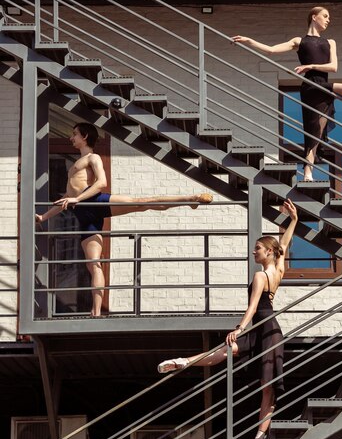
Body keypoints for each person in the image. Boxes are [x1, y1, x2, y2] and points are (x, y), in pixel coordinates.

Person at [157, 198, 298, 439]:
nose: (254, 251)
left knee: (267, 385)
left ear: (267, 252)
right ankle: (183, 362)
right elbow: (283, 245)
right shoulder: (278, 270)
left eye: (257, 248)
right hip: (268, 329)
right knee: (227, 353)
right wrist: (293, 220)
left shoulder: (261, 275)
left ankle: (261, 434)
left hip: (263, 328)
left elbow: (253, 306)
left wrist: (239, 328)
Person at [35, 122, 213, 317]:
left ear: (85, 136)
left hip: (95, 202)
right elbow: (63, 201)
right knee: (93, 263)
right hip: (82, 213)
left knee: (142, 202)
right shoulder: (77, 163)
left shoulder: (92, 157)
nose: (71, 137)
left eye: (75, 134)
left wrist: (77, 198)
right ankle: (95, 311)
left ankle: (190, 199)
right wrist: (43, 217)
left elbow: (102, 183)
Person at [232, 6, 342, 181]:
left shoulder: (330, 42)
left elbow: (334, 67)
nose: (328, 20)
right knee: (313, 131)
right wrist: (248, 40)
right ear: (314, 17)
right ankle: (308, 172)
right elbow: (271, 50)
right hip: (309, 87)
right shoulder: (299, 41)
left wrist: (311, 66)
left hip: (323, 84)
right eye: (325, 16)